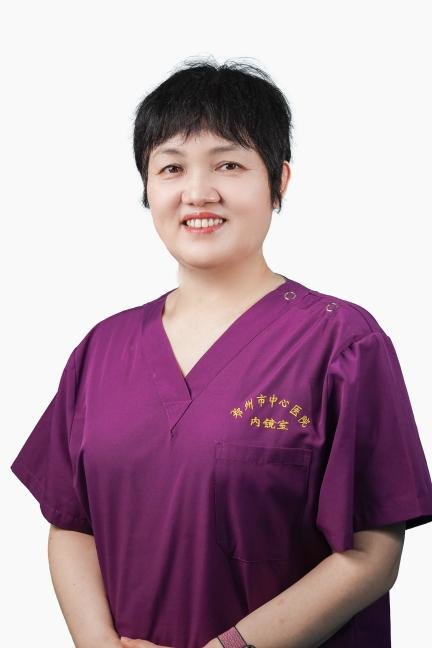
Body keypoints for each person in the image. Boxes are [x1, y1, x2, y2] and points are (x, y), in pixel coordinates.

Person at [10, 56, 432, 648]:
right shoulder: (102, 349)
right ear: (147, 187)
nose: (197, 193)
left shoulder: (343, 342)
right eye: (171, 167)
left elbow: (372, 552)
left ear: (279, 181)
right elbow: (70, 523)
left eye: (228, 164)